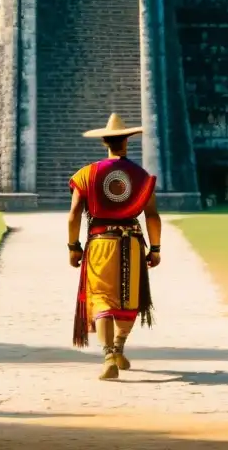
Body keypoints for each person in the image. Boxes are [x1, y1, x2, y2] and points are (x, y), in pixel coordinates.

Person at [68, 113, 161, 381]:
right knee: (130, 298)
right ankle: (119, 346)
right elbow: (152, 216)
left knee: (102, 298)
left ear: (104, 142)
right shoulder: (142, 177)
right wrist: (155, 249)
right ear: (127, 142)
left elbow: (74, 213)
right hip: (131, 243)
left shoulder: (87, 174)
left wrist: (73, 246)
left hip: (100, 243)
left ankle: (108, 353)